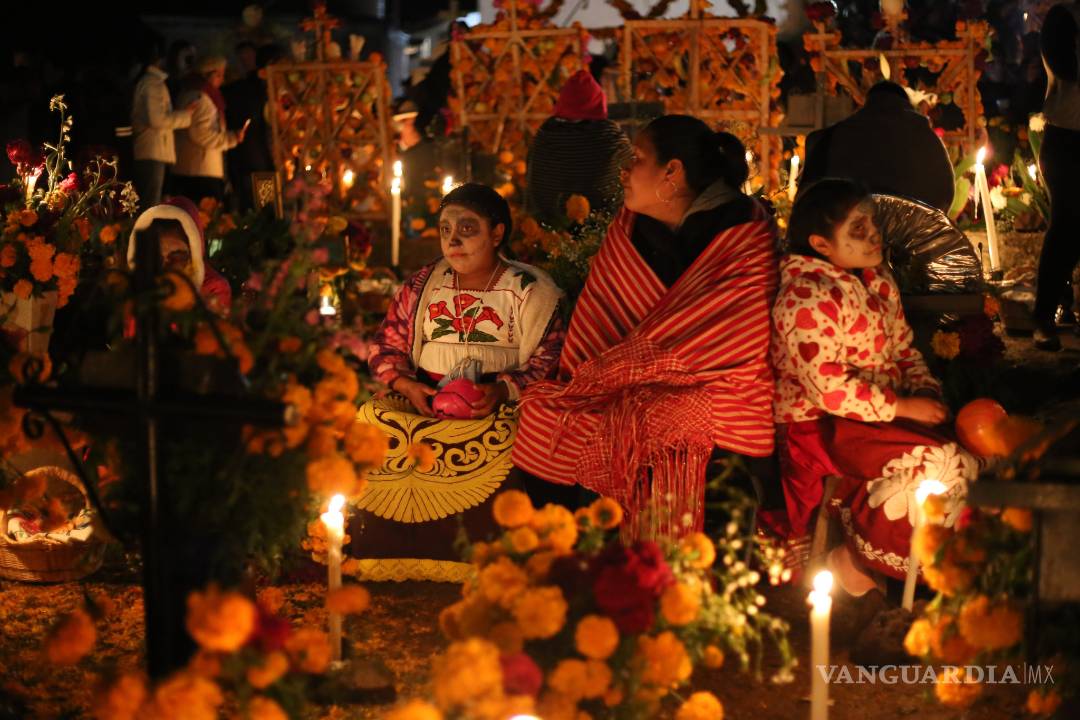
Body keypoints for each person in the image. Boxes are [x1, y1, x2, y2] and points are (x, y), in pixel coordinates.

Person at [513, 115, 778, 539]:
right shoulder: (629, 227)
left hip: (716, 391)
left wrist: (634, 373)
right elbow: (601, 317)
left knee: (664, 422)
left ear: (671, 172)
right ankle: (569, 558)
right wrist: (609, 378)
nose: (624, 170)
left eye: (637, 158)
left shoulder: (744, 232)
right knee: (544, 419)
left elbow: (729, 329)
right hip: (617, 384)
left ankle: (667, 571)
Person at [763, 178, 979, 598]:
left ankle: (921, 567)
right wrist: (904, 407)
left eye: (872, 224)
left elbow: (902, 348)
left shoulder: (877, 281)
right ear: (821, 244)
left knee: (964, 455)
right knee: (934, 461)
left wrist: (924, 390)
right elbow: (829, 390)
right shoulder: (805, 297)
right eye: (857, 229)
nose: (874, 235)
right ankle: (850, 566)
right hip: (821, 423)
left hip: (879, 416)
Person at [354, 183, 566, 581]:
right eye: (445, 228)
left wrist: (503, 390)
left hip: (500, 409)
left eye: (467, 228)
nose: (453, 240)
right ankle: (383, 550)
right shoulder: (422, 284)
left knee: (523, 437)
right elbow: (385, 345)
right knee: (371, 419)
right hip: (426, 402)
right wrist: (406, 386)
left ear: (497, 233)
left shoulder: (531, 290)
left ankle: (496, 557)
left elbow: (551, 357)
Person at [800, 81, 955, 213]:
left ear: (869, 102)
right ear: (906, 104)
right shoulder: (926, 139)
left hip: (846, 236)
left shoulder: (829, 138)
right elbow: (944, 194)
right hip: (914, 239)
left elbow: (808, 200)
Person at [525, 70, 632, 225]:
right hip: (603, 230)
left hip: (549, 227)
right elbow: (631, 174)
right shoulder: (610, 138)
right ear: (598, 102)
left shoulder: (545, 136)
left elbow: (533, 182)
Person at [1033, 1, 1080, 351]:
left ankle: (1063, 307)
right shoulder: (1063, 17)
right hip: (1068, 137)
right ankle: (1044, 315)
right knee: (1066, 225)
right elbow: (1067, 68)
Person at [126, 196, 232, 313]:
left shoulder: (213, 288)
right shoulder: (136, 287)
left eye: (177, 256)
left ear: (194, 250)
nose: (165, 266)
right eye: (157, 256)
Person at [130, 39, 195, 208]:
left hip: (155, 150)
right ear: (161, 59)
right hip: (152, 151)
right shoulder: (152, 84)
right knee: (149, 204)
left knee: (153, 202)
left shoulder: (154, 83)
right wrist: (186, 115)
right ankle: (144, 234)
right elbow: (157, 119)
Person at [173, 57, 246, 203]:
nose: (222, 79)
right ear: (208, 75)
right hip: (201, 169)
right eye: (219, 75)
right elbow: (201, 134)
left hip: (193, 168)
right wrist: (231, 138)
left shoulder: (189, 94)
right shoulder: (201, 99)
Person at [223, 44, 281, 210]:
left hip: (260, 164)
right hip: (256, 165)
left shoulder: (272, 90)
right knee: (264, 213)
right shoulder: (248, 92)